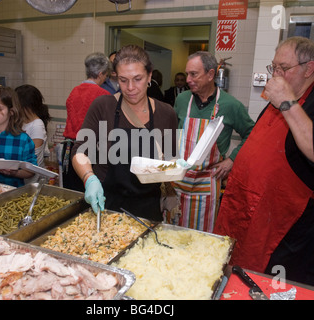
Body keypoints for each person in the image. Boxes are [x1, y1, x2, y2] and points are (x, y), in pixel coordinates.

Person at [214, 36, 314, 287]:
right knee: (235, 274)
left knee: (269, 285)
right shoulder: (279, 101)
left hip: (285, 224)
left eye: (284, 68)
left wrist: (288, 102)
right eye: (274, 67)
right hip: (247, 206)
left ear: (309, 68)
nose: (276, 74)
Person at [71, 45, 178, 221]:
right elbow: (80, 152)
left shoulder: (166, 113)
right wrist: (89, 178)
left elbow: (171, 159)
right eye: (123, 80)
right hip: (106, 205)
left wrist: (175, 166)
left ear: (149, 76)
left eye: (137, 79)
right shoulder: (103, 106)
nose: (130, 88)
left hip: (148, 209)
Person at [173, 51, 254, 232]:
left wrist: (232, 159)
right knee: (172, 235)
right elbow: (172, 133)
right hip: (177, 182)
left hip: (206, 185)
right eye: (187, 74)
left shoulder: (230, 105)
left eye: (193, 74)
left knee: (201, 239)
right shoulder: (181, 100)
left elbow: (253, 134)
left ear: (211, 74)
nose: (188, 79)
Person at [62, 52, 111, 192]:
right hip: (88, 151)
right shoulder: (104, 96)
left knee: (71, 192)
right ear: (101, 74)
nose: (105, 78)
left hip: (69, 149)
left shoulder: (74, 91)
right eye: (106, 75)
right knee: (89, 191)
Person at [15, 84, 50, 183]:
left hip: (33, 180)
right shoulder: (22, 122)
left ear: (25, 106)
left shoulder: (37, 125)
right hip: (23, 176)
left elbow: (35, 161)